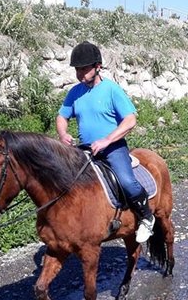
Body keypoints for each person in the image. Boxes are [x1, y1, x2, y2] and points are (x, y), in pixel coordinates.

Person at [56, 41, 155, 242]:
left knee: (127, 181)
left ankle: (146, 217)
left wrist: (106, 140)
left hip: (113, 148)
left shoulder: (112, 90)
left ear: (97, 67)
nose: (80, 74)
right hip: (85, 149)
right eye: (77, 70)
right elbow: (62, 117)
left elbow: (130, 120)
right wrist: (63, 134)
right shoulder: (75, 92)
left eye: (84, 69)